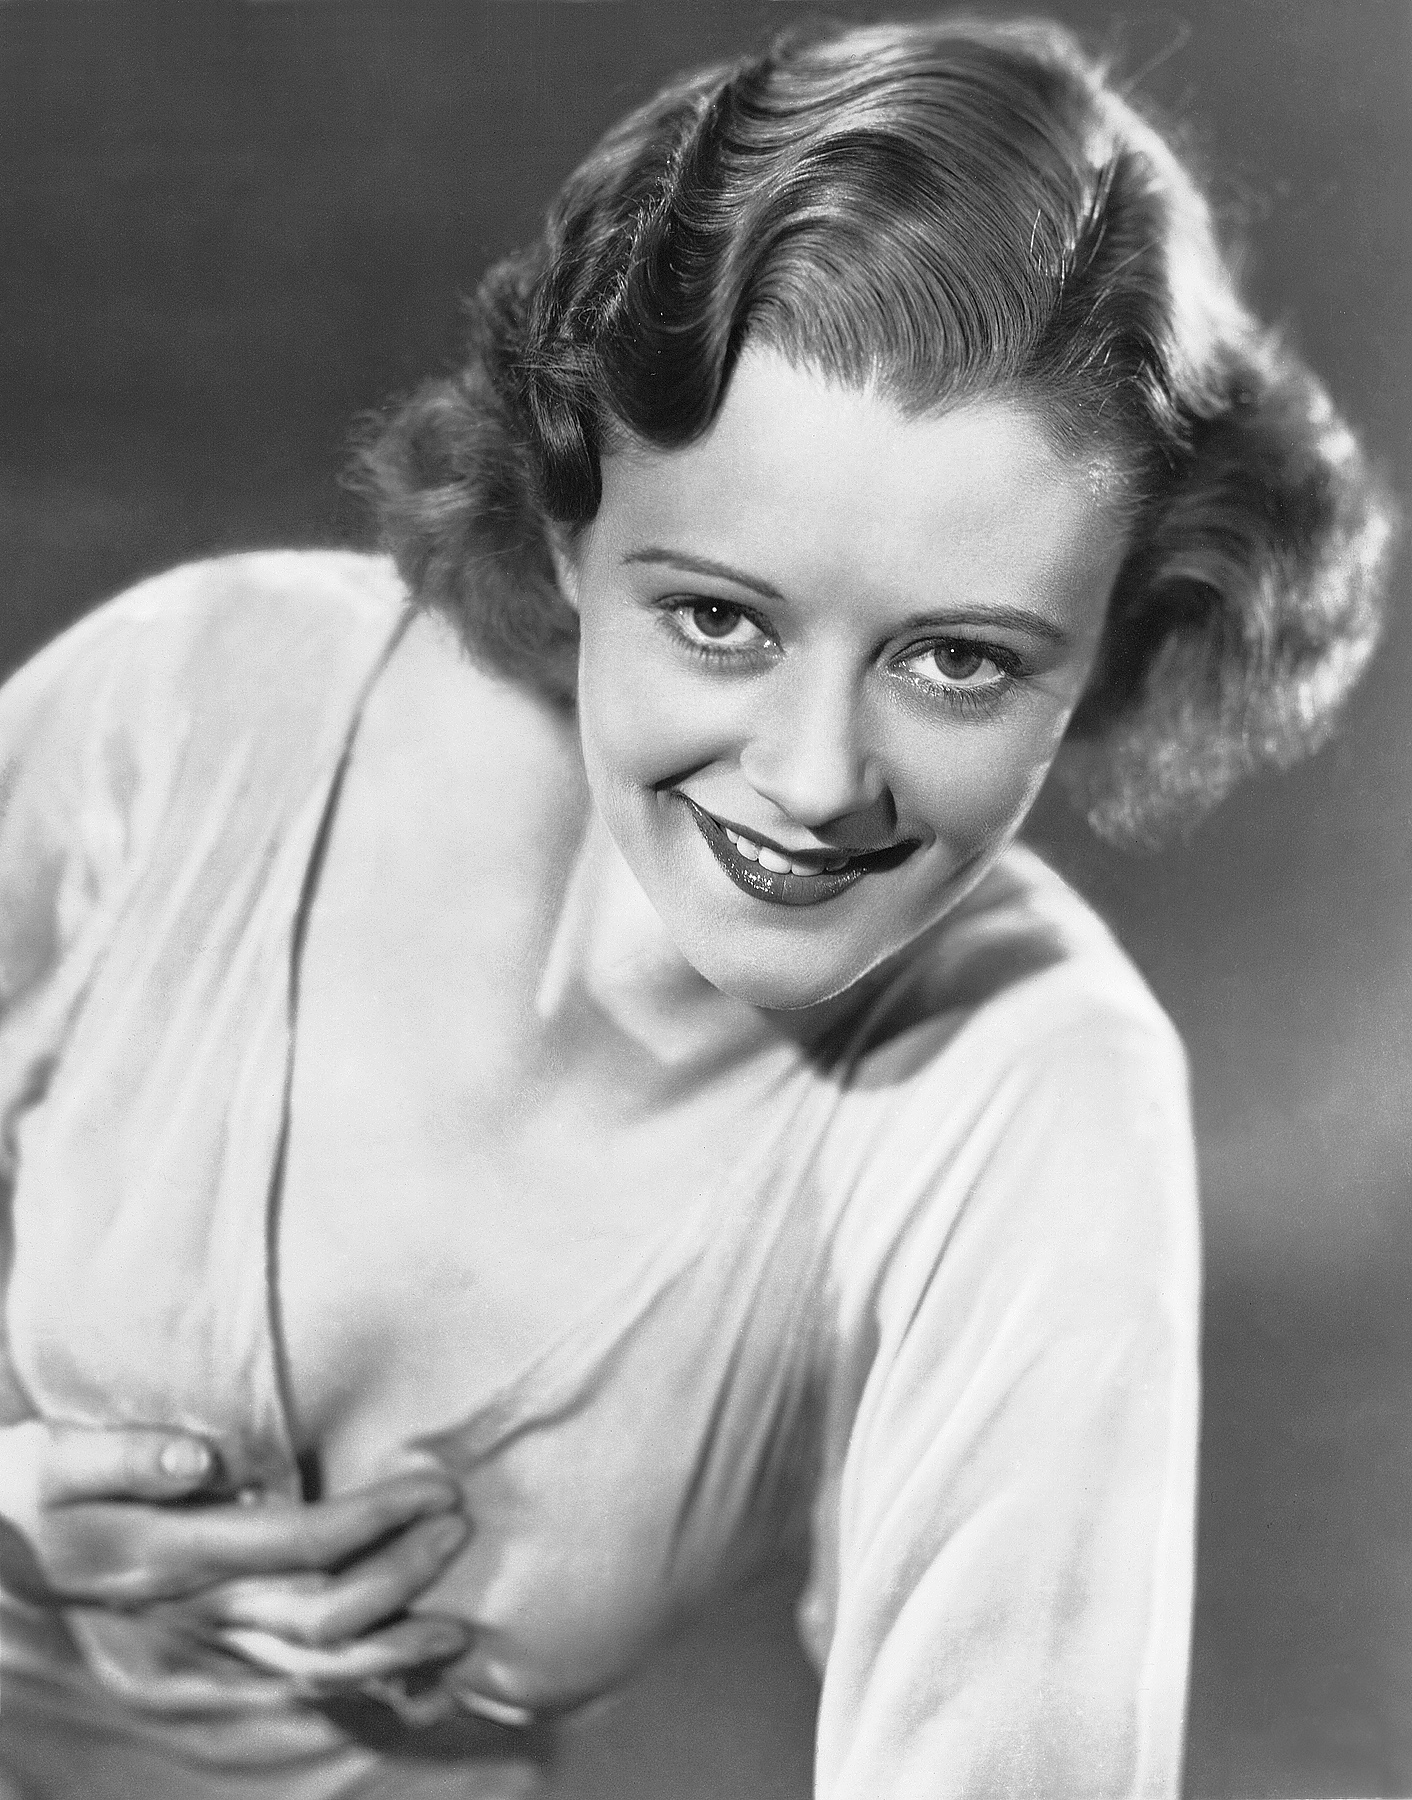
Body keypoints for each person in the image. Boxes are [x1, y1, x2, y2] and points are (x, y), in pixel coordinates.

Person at [0, 15, 1394, 1800]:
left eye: (960, 662)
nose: (813, 779)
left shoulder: (1033, 1084)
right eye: (721, 618)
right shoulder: (202, 705)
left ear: (1115, 641)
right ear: (570, 523)